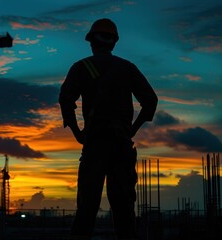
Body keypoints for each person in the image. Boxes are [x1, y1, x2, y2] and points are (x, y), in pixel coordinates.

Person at [59, 18, 158, 240]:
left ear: (92, 41)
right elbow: (150, 100)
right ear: (113, 43)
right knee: (124, 211)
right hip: (121, 146)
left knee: (86, 210)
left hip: (94, 144)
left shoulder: (81, 68)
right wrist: (133, 129)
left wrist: (77, 132)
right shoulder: (127, 68)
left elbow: (66, 99)